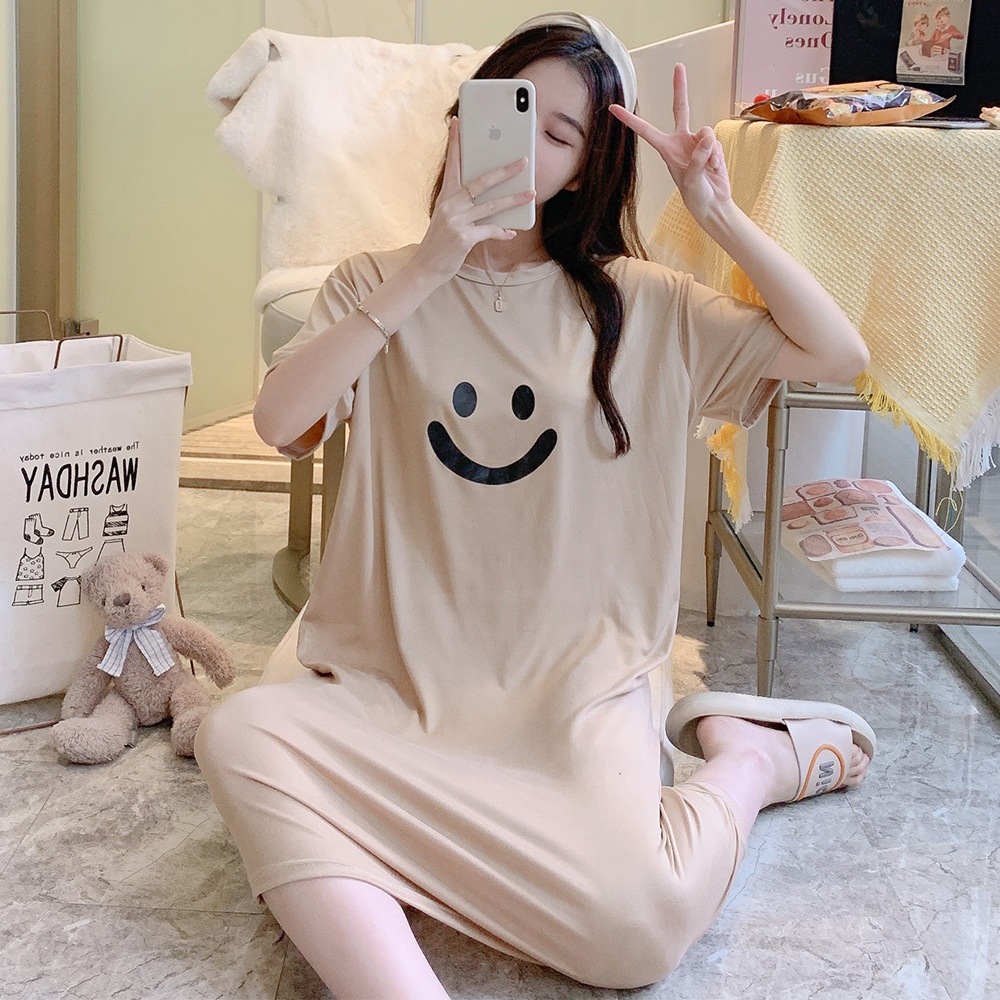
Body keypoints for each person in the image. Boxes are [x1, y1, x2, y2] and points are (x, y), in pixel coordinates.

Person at [195, 12, 874, 998]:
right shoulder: (373, 283)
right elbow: (278, 419)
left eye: (559, 134)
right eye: (507, 114)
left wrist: (717, 213)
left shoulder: (643, 303)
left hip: (569, 698)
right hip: (392, 688)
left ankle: (750, 765)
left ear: (586, 169)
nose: (524, 147)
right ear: (462, 120)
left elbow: (837, 353)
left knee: (634, 934)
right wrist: (427, 269)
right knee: (238, 734)